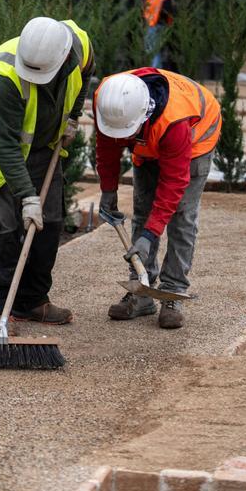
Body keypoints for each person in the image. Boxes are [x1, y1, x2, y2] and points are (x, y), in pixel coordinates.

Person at [0, 16, 94, 332]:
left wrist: (73, 116)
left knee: (49, 224)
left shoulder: (79, 45)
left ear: (63, 57)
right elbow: (6, 146)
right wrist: (27, 197)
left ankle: (32, 301)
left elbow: (87, 73)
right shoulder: (4, 76)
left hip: (44, 148)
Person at [94, 66, 220, 329]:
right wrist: (108, 190)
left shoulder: (174, 123)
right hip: (150, 141)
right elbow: (107, 147)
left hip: (195, 139)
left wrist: (150, 235)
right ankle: (142, 291)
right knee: (142, 210)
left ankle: (172, 292)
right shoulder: (109, 100)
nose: (122, 137)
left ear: (143, 116)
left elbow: (174, 184)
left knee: (181, 216)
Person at [138, 0, 176, 68]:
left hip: (153, 24)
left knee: (152, 50)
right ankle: (158, 68)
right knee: (158, 50)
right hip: (163, 24)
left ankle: (155, 69)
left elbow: (144, 2)